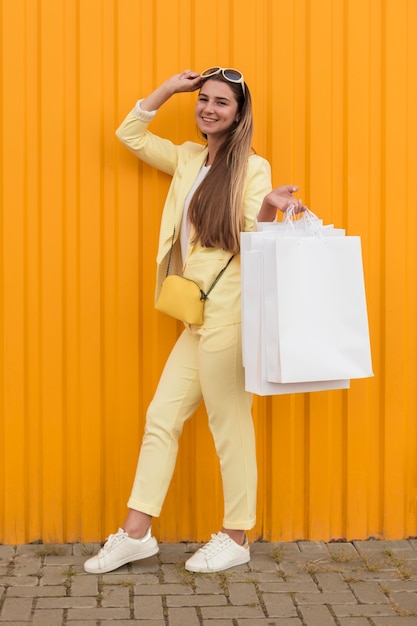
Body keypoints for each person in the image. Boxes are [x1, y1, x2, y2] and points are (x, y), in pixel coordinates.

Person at [84, 67, 303, 575]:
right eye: (203, 99)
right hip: (195, 310)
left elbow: (254, 238)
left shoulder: (253, 167)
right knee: (162, 417)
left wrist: (269, 209)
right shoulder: (187, 157)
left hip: (230, 310)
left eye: (221, 102)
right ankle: (136, 534)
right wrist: (168, 89)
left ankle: (236, 535)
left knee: (229, 423)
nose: (209, 108)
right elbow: (129, 134)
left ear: (239, 112)